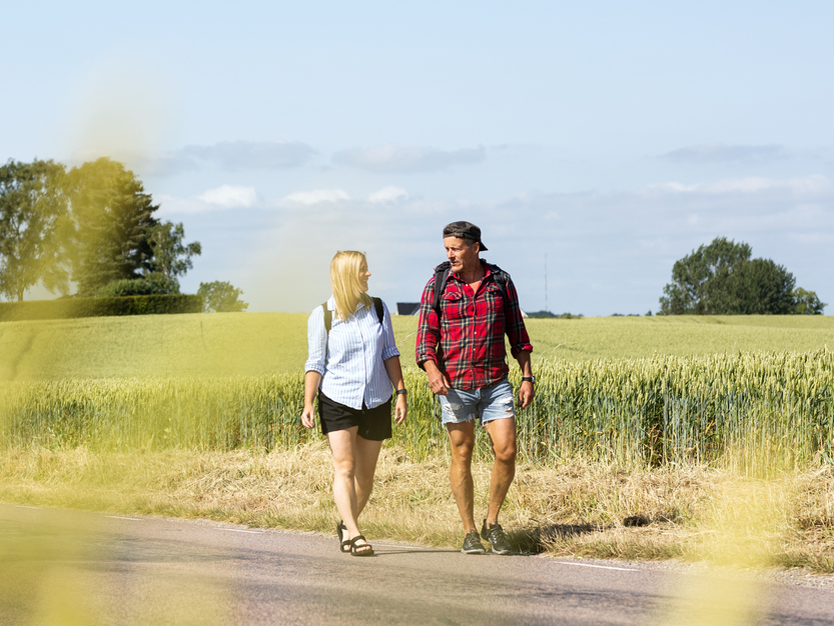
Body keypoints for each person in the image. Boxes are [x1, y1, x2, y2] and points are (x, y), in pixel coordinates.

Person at [416, 221, 534, 555]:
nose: (450, 255)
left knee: (506, 450)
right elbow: (426, 335)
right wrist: (431, 369)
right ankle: (469, 530)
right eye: (446, 249)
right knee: (462, 453)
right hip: (455, 385)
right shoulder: (438, 284)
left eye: (455, 248)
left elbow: (517, 332)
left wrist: (527, 376)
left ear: (475, 247)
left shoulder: (500, 282)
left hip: (495, 382)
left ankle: (492, 522)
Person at [302, 250, 407, 557]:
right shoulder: (322, 315)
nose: (369, 274)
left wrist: (400, 392)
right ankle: (356, 533)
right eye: (363, 270)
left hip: (376, 398)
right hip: (338, 398)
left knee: (365, 477)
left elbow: (390, 351)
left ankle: (346, 525)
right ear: (349, 274)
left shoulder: (377, 308)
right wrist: (309, 402)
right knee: (344, 467)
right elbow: (315, 362)